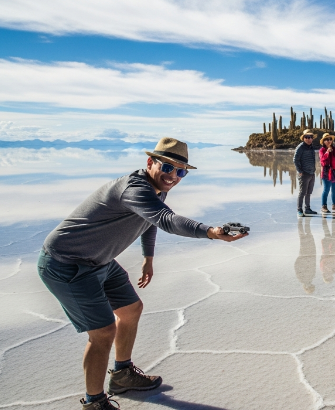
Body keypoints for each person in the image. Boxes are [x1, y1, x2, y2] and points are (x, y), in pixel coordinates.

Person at [37, 137, 248, 410]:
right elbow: (165, 219)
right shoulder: (133, 188)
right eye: (168, 167)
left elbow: (149, 221)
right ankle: (94, 402)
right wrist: (210, 231)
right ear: (150, 162)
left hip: (101, 261)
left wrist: (148, 258)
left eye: (181, 172)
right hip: (67, 263)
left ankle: (123, 375)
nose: (174, 176)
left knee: (131, 309)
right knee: (102, 333)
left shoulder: (157, 189)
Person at [294, 129, 318, 217]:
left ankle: (307, 209)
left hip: (311, 173)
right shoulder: (300, 147)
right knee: (302, 192)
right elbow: (295, 160)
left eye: (310, 137)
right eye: (307, 137)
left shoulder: (311, 147)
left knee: (309, 192)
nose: (309, 139)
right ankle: (299, 210)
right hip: (304, 174)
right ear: (304, 138)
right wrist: (299, 171)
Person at [319, 133, 335, 213]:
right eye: (327, 140)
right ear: (323, 141)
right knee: (326, 189)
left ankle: (334, 205)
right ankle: (324, 206)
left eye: (330, 139)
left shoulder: (334, 149)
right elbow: (322, 161)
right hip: (327, 172)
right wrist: (327, 152)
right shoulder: (322, 150)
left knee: (334, 189)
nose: (329, 141)